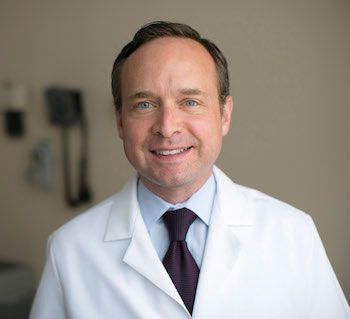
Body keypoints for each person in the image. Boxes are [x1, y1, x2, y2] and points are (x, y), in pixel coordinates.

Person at [30, 21, 350, 319]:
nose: (167, 128)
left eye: (190, 102)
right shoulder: (70, 250)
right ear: (119, 122)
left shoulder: (292, 233)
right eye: (145, 104)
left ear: (224, 115)